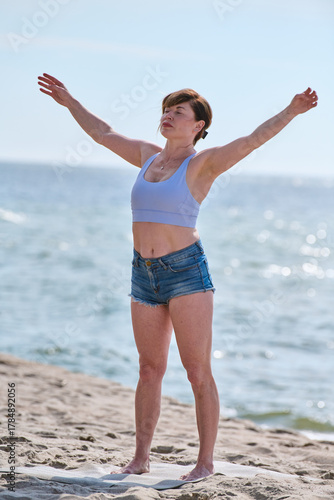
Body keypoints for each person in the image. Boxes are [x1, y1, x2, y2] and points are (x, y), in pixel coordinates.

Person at [37, 73, 318, 481]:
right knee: (149, 369)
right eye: (166, 110)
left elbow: (252, 140)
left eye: (178, 112)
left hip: (186, 272)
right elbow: (102, 132)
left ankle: (204, 463)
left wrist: (291, 111)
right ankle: (140, 458)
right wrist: (69, 101)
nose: (168, 116)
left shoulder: (202, 163)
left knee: (197, 370)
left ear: (198, 125)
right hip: (142, 273)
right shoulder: (147, 156)